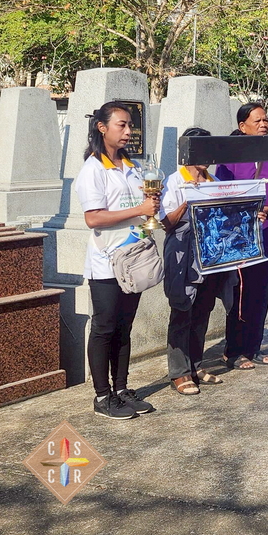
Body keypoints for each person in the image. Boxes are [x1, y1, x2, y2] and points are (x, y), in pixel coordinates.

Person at [73, 101, 158, 419]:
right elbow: (93, 218)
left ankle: (121, 390)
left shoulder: (132, 167)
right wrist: (139, 209)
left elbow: (142, 207)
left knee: (124, 327)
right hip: (107, 261)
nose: (128, 131)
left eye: (130, 125)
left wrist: (150, 208)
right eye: (121, 124)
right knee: (105, 327)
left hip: (134, 259)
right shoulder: (93, 170)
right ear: (102, 127)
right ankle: (102, 396)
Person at [160, 128, 235, 395]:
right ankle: (179, 372)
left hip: (210, 253)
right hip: (183, 252)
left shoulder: (215, 180)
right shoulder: (173, 181)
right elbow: (166, 223)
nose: (207, 157)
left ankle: (195, 365)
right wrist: (189, 200)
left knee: (203, 310)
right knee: (183, 309)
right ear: (188, 152)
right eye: (201, 150)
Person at [215, 103, 268, 370]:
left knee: (262, 293)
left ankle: (253, 347)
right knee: (240, 294)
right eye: (257, 121)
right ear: (242, 126)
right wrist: (248, 212)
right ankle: (233, 350)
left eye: (265, 120)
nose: (263, 124)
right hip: (240, 238)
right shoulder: (231, 157)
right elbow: (220, 194)